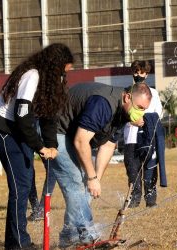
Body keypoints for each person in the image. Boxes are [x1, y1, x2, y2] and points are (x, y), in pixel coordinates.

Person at [0, 43, 74, 250]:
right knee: (21, 186)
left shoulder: (48, 84)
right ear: (53, 66)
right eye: (62, 72)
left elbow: (48, 118)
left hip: (20, 132)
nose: (64, 77)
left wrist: (52, 145)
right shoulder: (32, 76)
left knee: (25, 182)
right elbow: (22, 115)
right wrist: (40, 147)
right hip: (4, 131)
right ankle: (18, 244)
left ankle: (15, 241)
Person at [52, 81, 152, 248]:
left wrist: (96, 177)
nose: (141, 114)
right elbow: (80, 141)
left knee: (84, 185)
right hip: (56, 130)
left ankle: (69, 236)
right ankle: (90, 235)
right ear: (127, 97)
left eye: (144, 110)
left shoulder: (123, 112)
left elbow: (108, 145)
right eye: (140, 107)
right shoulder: (103, 104)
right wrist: (91, 177)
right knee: (75, 182)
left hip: (73, 135)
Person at [123, 60, 166, 208]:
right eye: (136, 72)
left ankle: (151, 198)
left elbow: (159, 113)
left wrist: (146, 119)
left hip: (148, 138)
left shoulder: (153, 93)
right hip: (130, 138)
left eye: (141, 72)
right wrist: (132, 120)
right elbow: (122, 113)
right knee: (132, 169)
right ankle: (134, 199)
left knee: (150, 168)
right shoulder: (126, 92)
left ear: (147, 74)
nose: (138, 75)